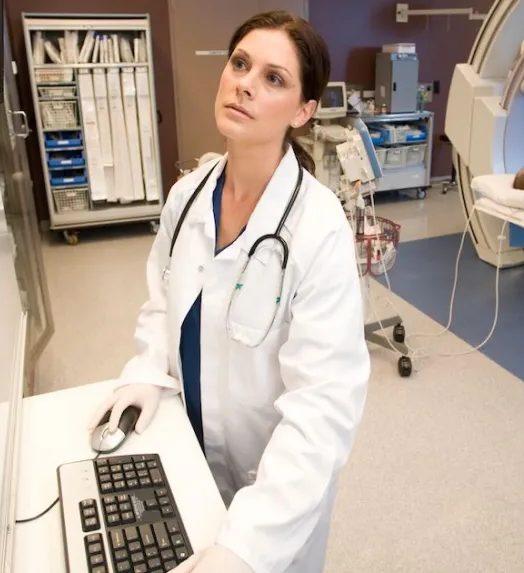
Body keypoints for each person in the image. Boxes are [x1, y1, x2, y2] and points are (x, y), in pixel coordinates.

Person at [87, 10, 371, 573]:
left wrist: (247, 547)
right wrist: (147, 370)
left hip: (274, 489)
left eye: (274, 78)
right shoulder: (189, 196)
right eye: (240, 64)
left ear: (302, 111)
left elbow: (323, 408)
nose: (245, 82)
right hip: (187, 452)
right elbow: (162, 300)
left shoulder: (317, 229)